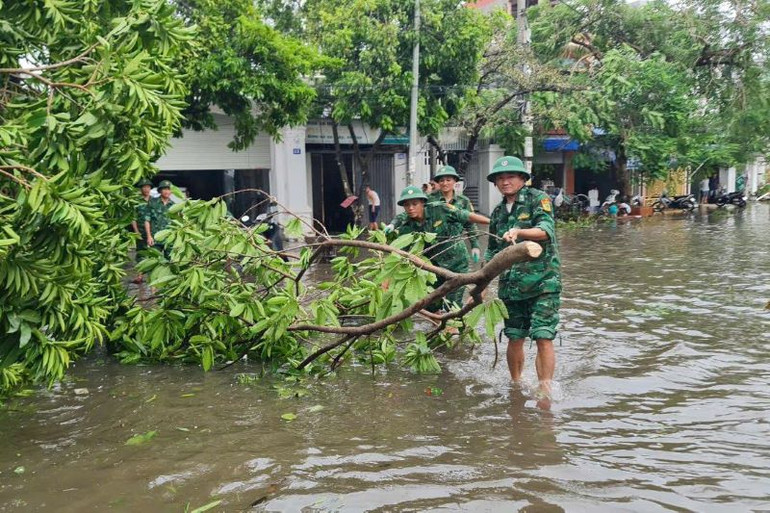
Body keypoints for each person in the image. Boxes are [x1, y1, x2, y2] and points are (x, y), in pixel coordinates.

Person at [485, 156, 561, 408]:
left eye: (510, 177)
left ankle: (545, 390)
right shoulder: (497, 212)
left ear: (522, 179)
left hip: (542, 282)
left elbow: (546, 231)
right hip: (511, 286)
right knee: (514, 336)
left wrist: (519, 231)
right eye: (500, 178)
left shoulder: (538, 198)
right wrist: (481, 283)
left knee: (543, 335)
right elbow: (492, 252)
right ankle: (516, 385)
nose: (505, 182)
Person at [385, 185, 489, 310]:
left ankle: (456, 326)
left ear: (423, 203)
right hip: (432, 268)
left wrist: (490, 222)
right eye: (407, 205)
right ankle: (440, 324)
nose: (411, 208)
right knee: (430, 303)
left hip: (456, 263)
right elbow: (400, 254)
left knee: (452, 305)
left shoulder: (439, 209)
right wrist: (387, 278)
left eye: (414, 204)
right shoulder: (406, 226)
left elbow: (466, 216)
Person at [428, 165, 482, 266]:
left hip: (458, 253)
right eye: (442, 180)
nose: (445, 183)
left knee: (461, 280)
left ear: (455, 181)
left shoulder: (463, 201)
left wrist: (475, 245)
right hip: (435, 252)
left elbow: (470, 225)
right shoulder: (430, 200)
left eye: (448, 180)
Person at [144, 179, 176, 258]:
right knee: (153, 261)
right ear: (160, 191)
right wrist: (149, 236)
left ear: (171, 191)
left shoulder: (174, 206)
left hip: (169, 239)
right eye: (164, 189)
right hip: (155, 239)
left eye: (168, 189)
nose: (167, 191)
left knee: (170, 262)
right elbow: (147, 220)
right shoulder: (152, 202)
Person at [130, 178, 153, 283]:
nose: (146, 189)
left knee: (154, 252)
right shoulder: (136, 202)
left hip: (154, 230)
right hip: (141, 231)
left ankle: (154, 276)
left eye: (148, 187)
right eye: (144, 187)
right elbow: (133, 218)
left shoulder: (154, 201)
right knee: (141, 253)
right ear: (141, 189)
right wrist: (136, 231)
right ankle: (140, 276)